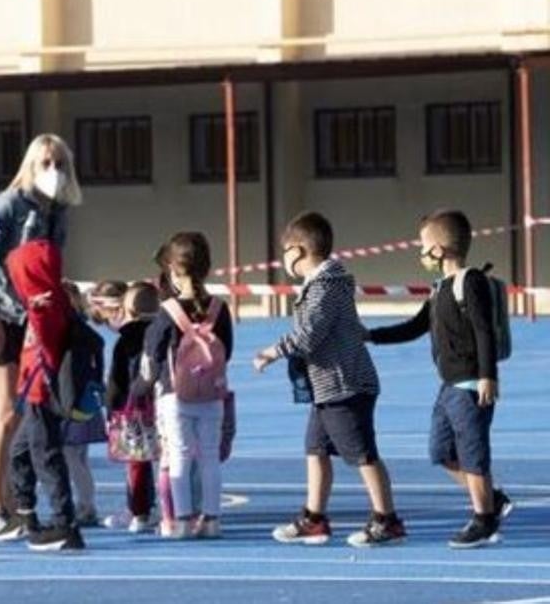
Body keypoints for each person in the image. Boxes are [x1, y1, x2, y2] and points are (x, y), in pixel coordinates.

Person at [255, 212, 406, 548]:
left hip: (345, 385)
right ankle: (314, 518)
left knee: (362, 454)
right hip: (326, 388)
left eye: (285, 251)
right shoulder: (321, 285)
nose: (283, 259)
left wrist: (272, 351)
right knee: (316, 450)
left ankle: (387, 520)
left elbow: (310, 335)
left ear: (298, 251)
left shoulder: (326, 285)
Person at [366, 210, 513, 548]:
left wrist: (488, 375)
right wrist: (371, 335)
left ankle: (484, 520)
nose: (421, 251)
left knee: (473, 454)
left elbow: (483, 330)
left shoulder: (470, 281)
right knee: (441, 451)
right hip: (448, 386)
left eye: (424, 245)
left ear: (439, 249)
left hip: (470, 386)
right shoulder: (439, 289)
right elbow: (416, 327)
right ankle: (492, 499)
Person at [0, 133, 82, 536]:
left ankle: (14, 503)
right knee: (7, 410)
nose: (54, 171)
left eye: (60, 163)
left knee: (26, 408)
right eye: (46, 163)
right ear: (31, 166)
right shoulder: (10, 204)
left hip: (27, 313)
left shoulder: (59, 211)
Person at [143, 233, 232, 540]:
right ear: (207, 267)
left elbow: (152, 352)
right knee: (209, 456)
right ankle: (212, 519)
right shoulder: (219, 308)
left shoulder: (168, 311)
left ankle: (181, 521)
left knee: (179, 455)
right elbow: (228, 351)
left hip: (175, 394)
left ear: (173, 269)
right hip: (212, 393)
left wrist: (145, 383)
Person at [0, 239, 86, 551]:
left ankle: (65, 524)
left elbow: (49, 343)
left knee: (46, 457)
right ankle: (25, 512)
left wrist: (35, 311)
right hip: (34, 393)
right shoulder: (48, 301)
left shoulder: (47, 308)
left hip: (43, 393)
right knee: (19, 452)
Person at [94, 280, 160, 533]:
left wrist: (111, 407)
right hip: (163, 403)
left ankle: (140, 512)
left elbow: (117, 378)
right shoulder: (166, 332)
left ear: (127, 310)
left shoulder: (125, 340)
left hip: (134, 408)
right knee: (170, 460)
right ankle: (176, 510)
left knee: (136, 461)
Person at [60, 281, 105, 528]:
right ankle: (86, 503)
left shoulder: (72, 329)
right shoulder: (84, 329)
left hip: (74, 399)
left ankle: (85, 505)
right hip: (86, 396)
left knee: (72, 455)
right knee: (79, 457)